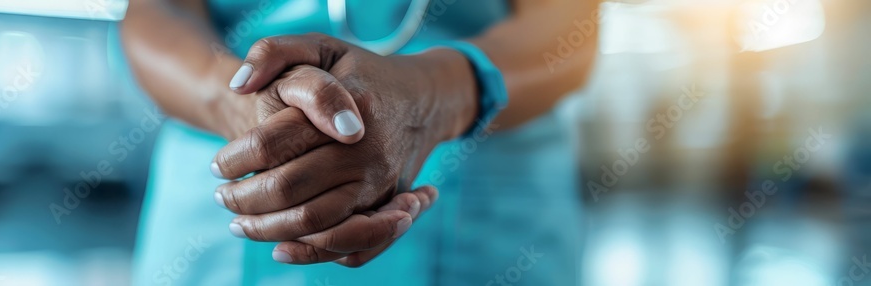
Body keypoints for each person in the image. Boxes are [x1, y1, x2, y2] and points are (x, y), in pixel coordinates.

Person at [120, 0, 599, 284]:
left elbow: (570, 26)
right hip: (223, 201)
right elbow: (154, 11)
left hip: (487, 208)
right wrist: (246, 108)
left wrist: (433, 96)